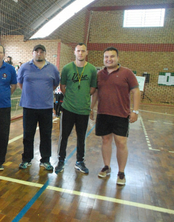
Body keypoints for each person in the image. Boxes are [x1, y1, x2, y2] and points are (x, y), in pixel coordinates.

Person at [90, 47, 140, 186]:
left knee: (121, 143)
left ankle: (121, 172)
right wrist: (91, 108)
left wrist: (135, 111)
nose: (109, 59)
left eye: (112, 56)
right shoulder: (99, 74)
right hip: (103, 114)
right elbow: (95, 93)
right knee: (105, 141)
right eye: (106, 57)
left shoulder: (127, 73)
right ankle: (106, 166)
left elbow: (136, 91)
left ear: (117, 58)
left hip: (121, 114)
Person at [54, 43, 97, 174]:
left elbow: (92, 89)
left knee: (81, 137)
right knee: (64, 136)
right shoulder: (67, 68)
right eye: (78, 51)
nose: (80, 53)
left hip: (83, 110)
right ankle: (61, 160)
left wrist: (82, 97)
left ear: (86, 52)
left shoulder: (92, 69)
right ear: (75, 52)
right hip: (68, 109)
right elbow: (63, 86)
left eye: (83, 51)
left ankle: (80, 161)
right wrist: (71, 97)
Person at [18, 44, 60, 171]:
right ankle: (26, 159)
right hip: (29, 107)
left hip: (46, 107)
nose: (39, 54)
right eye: (37, 51)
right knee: (28, 134)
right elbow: (20, 83)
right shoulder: (24, 67)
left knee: (46, 135)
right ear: (33, 53)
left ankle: (45, 160)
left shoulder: (52, 68)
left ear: (45, 54)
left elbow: (55, 84)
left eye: (42, 52)